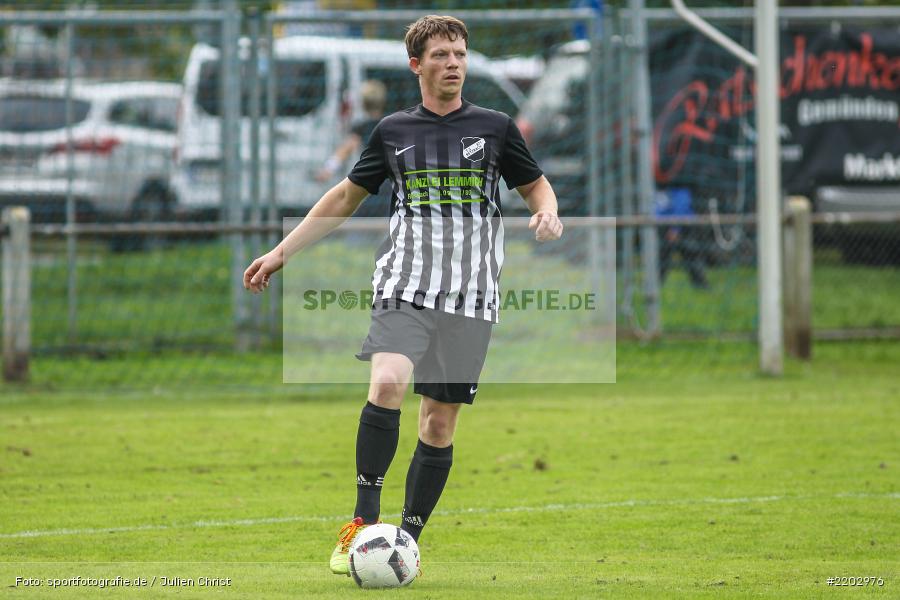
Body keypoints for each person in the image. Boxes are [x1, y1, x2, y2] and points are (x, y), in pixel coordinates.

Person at [242, 14, 563, 577]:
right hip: (404, 286)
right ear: (417, 65)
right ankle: (364, 525)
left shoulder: (494, 127)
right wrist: (280, 253)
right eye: (440, 55)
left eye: (459, 54)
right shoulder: (393, 131)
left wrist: (547, 211)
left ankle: (405, 539)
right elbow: (344, 198)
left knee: (438, 425)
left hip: (470, 296)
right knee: (388, 381)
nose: (454, 64)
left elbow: (534, 183)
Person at [315, 79, 387, 184]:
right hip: (391, 181)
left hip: (372, 180)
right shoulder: (392, 123)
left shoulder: (362, 127)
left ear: (363, 103)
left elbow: (345, 149)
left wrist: (327, 170)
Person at [655, 187, 709, 289]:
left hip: (683, 225)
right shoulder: (655, 186)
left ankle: (701, 285)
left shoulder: (678, 183)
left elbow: (682, 204)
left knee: (690, 254)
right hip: (663, 225)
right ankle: (655, 285)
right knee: (662, 257)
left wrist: (675, 229)